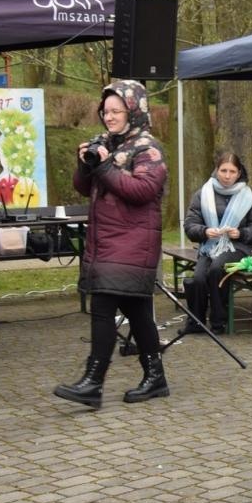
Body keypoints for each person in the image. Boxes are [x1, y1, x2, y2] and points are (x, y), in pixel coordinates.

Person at [52, 80, 170, 407]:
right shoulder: (110, 143)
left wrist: (104, 165)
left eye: (117, 111)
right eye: (106, 111)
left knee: (103, 307)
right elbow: (83, 187)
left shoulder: (148, 149)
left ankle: (93, 383)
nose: (110, 117)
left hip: (131, 242)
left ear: (134, 110)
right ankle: (155, 377)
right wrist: (85, 163)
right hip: (109, 242)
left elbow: (141, 191)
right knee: (138, 312)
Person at [181, 151, 252, 334]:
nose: (227, 176)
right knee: (198, 278)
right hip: (210, 247)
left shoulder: (250, 195)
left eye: (232, 171)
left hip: (238, 247)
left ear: (239, 173)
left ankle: (218, 322)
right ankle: (195, 322)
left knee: (216, 269)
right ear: (216, 170)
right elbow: (190, 225)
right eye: (223, 171)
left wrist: (240, 233)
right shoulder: (202, 193)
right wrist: (204, 231)